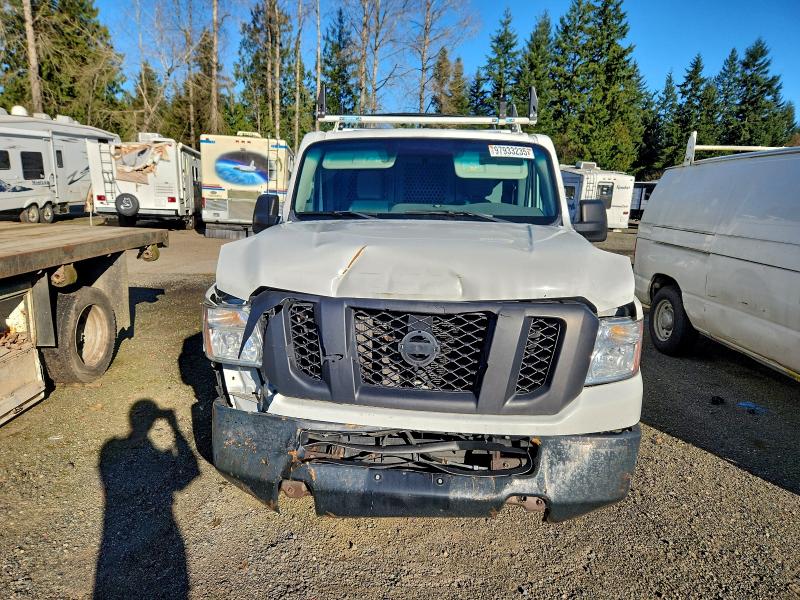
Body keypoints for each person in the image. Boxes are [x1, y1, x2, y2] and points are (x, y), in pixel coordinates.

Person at [94, 400, 199, 599]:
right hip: (160, 528)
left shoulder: (110, 449)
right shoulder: (138, 454)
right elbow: (190, 474)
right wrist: (175, 428)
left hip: (116, 531)